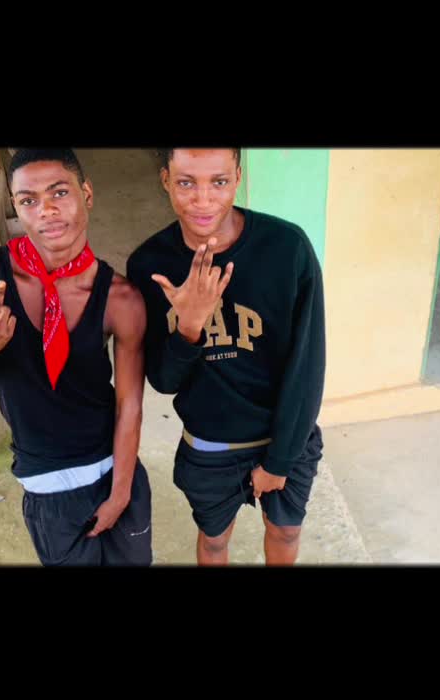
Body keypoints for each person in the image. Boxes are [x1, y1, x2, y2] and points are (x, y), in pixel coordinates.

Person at [0, 147, 152, 567]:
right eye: (28, 200)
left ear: (86, 194)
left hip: (113, 468)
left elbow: (129, 404)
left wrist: (121, 493)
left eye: (59, 192)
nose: (46, 210)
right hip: (48, 485)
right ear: (16, 207)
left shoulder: (120, 298)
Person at [127, 147, 325, 567]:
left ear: (237, 176)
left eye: (218, 182)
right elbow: (164, 381)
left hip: (284, 436)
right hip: (209, 446)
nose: (203, 200)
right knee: (214, 541)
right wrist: (189, 327)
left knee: (286, 530)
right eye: (186, 183)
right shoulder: (150, 265)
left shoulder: (286, 249)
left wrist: (280, 460)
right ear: (165, 180)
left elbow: (307, 367)